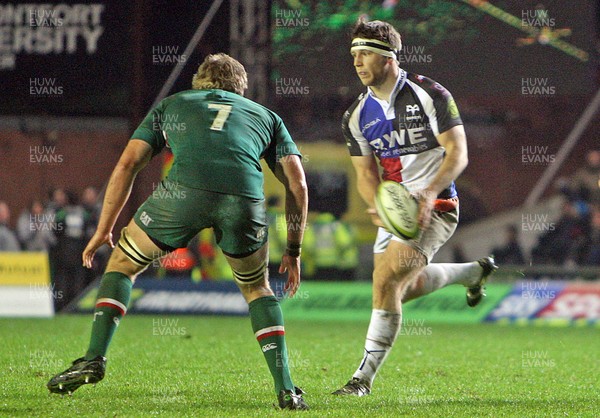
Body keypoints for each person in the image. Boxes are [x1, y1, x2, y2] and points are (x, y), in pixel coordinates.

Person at [47, 53, 309, 410]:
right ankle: (287, 388)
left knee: (123, 262)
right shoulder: (266, 116)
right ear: (240, 87)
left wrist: (104, 229)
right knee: (256, 288)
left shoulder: (173, 104)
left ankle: (94, 357)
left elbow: (128, 164)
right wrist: (293, 251)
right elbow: (298, 186)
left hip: (184, 194)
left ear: (199, 81)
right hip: (243, 198)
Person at [333, 19, 497, 397]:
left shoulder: (430, 94)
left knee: (385, 281)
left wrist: (428, 192)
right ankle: (472, 273)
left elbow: (458, 154)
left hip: (436, 205)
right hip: (397, 211)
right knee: (401, 289)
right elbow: (363, 173)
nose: (357, 62)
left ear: (388, 57)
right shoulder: (355, 116)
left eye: (365, 54)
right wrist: (375, 202)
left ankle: (361, 380)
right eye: (354, 54)